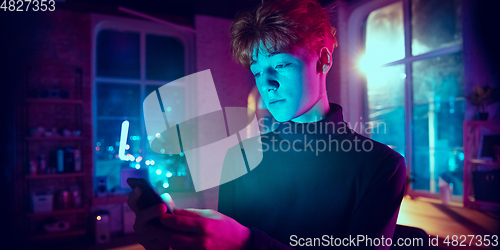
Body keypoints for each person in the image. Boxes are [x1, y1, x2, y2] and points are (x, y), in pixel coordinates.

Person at [127, 0, 407, 249]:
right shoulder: (239, 156)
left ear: (323, 60)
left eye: (281, 65)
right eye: (257, 71)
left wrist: (247, 242)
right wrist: (170, 240)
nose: (267, 84)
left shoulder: (381, 166)